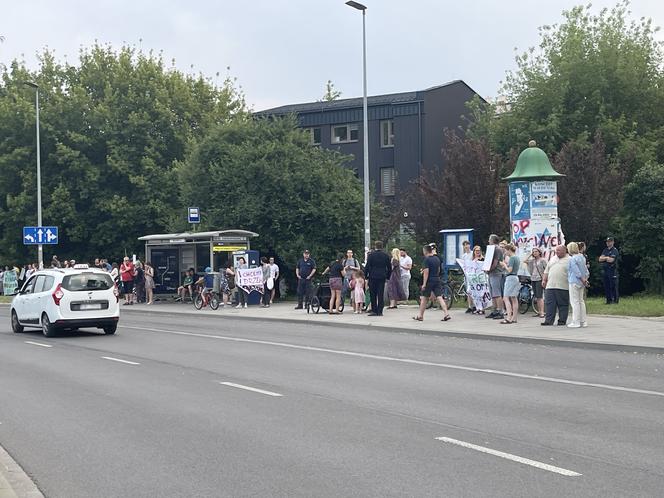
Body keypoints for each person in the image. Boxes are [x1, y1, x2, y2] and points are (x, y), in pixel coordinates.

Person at [413, 243, 451, 322]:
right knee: (439, 297)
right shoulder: (436, 259)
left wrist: (424, 284)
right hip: (436, 279)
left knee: (424, 298)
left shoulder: (426, 260)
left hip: (429, 280)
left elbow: (426, 272)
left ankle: (420, 316)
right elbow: (439, 270)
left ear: (425, 251)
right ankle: (446, 313)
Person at [541, 245, 570, 326]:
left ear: (564, 251)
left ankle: (562, 320)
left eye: (559, 251)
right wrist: (544, 280)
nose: (557, 252)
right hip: (550, 285)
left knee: (563, 304)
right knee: (549, 304)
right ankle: (548, 320)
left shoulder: (569, 259)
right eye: (556, 251)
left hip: (563, 286)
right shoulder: (553, 258)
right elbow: (546, 270)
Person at [364, 241, 391, 316]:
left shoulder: (371, 255)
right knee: (380, 294)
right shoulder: (385, 255)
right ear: (382, 247)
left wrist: (366, 276)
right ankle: (380, 311)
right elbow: (389, 267)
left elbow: (367, 266)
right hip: (382, 276)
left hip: (372, 276)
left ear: (375, 246)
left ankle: (374, 310)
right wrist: (388, 276)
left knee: (373, 294)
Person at [567, 242, 589, 328]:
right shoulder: (582, 257)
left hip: (574, 281)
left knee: (574, 302)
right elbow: (585, 269)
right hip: (582, 282)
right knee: (581, 301)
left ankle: (576, 321)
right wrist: (585, 279)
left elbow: (575, 270)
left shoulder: (572, 259)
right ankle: (583, 321)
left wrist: (581, 278)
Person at [500, 244, 521, 324]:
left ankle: (508, 317)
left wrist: (504, 265)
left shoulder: (512, 258)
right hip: (515, 277)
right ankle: (514, 317)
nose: (505, 252)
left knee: (505, 298)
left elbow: (509, 270)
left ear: (509, 250)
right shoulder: (517, 257)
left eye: (505, 250)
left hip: (510, 278)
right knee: (514, 298)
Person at [486, 234, 505, 320]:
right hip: (491, 273)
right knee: (493, 294)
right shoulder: (492, 249)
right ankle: (494, 310)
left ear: (493, 240)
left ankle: (500, 311)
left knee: (497, 293)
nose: (488, 241)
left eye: (489, 239)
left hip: (496, 273)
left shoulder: (497, 249)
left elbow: (495, 262)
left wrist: (489, 269)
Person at [526, 248, 547, 318]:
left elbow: (546, 269)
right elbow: (525, 261)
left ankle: (542, 312)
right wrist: (530, 255)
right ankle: (539, 311)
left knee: (540, 296)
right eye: (533, 252)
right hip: (533, 278)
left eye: (536, 251)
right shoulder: (532, 260)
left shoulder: (543, 260)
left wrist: (545, 279)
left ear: (539, 252)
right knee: (536, 296)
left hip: (539, 279)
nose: (534, 253)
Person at [599, 237, 619, 304]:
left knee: (613, 285)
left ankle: (615, 300)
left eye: (609, 241)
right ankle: (608, 300)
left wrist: (605, 258)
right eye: (607, 242)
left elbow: (611, 260)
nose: (608, 243)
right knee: (606, 285)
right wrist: (607, 258)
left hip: (612, 270)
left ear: (613, 242)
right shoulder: (605, 250)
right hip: (605, 270)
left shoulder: (615, 250)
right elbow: (600, 259)